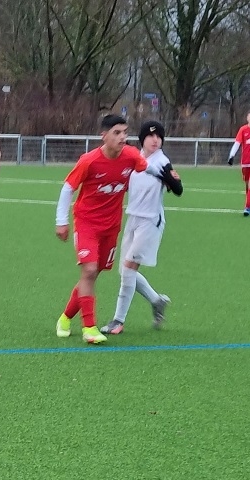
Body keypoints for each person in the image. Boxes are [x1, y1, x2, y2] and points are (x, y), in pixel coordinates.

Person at [55, 114, 177, 344]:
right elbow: (68, 188)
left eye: (125, 132)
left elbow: (148, 168)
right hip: (87, 223)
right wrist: (61, 220)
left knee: (92, 274)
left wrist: (169, 178)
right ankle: (89, 328)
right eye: (117, 133)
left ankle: (65, 318)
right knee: (89, 271)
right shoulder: (89, 161)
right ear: (104, 136)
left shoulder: (130, 155)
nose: (123, 137)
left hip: (111, 227)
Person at [100, 120, 183, 336]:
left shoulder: (162, 161)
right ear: (142, 139)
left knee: (129, 269)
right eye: (150, 136)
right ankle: (156, 301)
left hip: (150, 221)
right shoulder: (134, 159)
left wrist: (169, 179)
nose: (155, 140)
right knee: (124, 271)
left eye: (159, 137)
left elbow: (178, 189)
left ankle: (118, 321)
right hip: (133, 218)